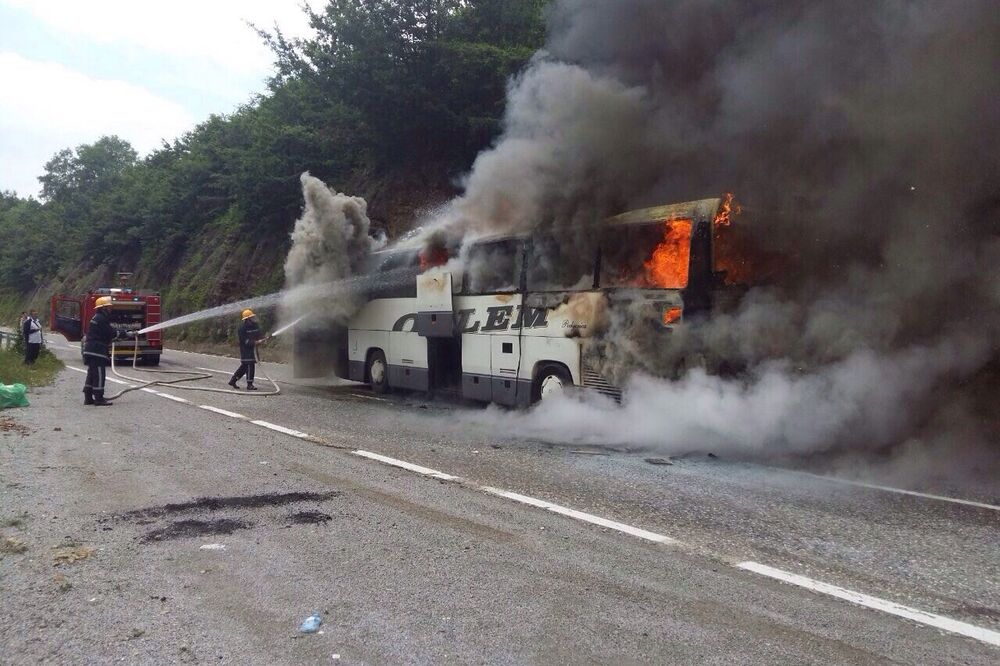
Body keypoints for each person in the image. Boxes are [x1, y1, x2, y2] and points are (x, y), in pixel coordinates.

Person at [83, 296, 132, 406]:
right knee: (99, 374)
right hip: (97, 350)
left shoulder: (96, 317)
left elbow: (105, 333)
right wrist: (126, 334)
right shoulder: (101, 319)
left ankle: (88, 397)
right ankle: (99, 399)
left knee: (92, 373)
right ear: (103, 308)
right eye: (108, 308)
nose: (110, 310)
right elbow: (110, 333)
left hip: (90, 349)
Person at [229, 309, 265, 391]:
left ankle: (233, 380)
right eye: (251, 317)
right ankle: (250, 384)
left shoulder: (255, 326)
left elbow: (259, 334)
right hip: (246, 350)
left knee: (244, 367)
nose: (253, 319)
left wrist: (262, 339)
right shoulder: (242, 329)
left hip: (253, 349)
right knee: (249, 365)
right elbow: (244, 340)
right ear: (247, 319)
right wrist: (255, 342)